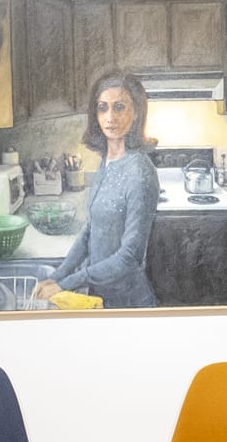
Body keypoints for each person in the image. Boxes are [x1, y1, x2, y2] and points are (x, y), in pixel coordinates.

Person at [52, 70, 157, 309]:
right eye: (103, 108)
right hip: (101, 297)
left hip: (129, 303)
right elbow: (90, 230)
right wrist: (57, 276)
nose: (110, 117)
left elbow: (129, 256)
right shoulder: (106, 161)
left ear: (137, 112)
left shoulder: (140, 172)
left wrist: (69, 282)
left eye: (119, 107)